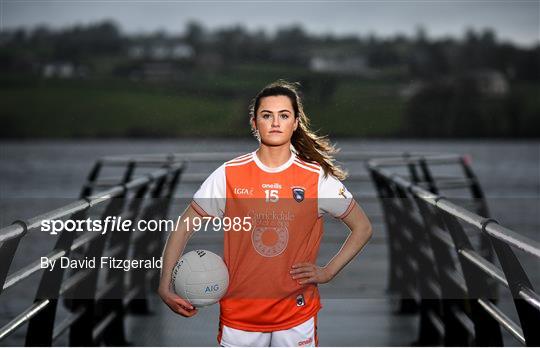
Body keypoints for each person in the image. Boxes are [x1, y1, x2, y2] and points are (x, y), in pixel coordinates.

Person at [158, 80, 373, 347]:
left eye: (284, 115)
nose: (275, 122)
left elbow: (362, 227)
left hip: (296, 312)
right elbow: (183, 226)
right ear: (254, 122)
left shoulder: (315, 178)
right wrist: (165, 285)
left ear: (295, 123)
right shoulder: (229, 174)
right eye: (266, 115)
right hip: (240, 315)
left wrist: (328, 272)